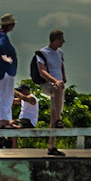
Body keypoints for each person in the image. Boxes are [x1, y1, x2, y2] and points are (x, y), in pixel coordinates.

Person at [30, 28, 68, 156]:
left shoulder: (60, 52)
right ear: (56, 40)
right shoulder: (42, 53)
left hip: (59, 86)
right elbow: (42, 71)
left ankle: (51, 146)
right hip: (47, 84)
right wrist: (55, 81)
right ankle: (59, 119)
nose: (63, 42)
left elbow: (61, 65)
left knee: (52, 117)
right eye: (62, 39)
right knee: (57, 90)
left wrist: (63, 77)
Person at [0, 15, 18, 142]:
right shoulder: (2, 37)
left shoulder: (2, 35)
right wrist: (4, 57)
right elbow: (0, 46)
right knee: (5, 94)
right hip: (5, 70)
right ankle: (4, 120)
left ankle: (7, 119)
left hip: (6, 70)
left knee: (7, 95)